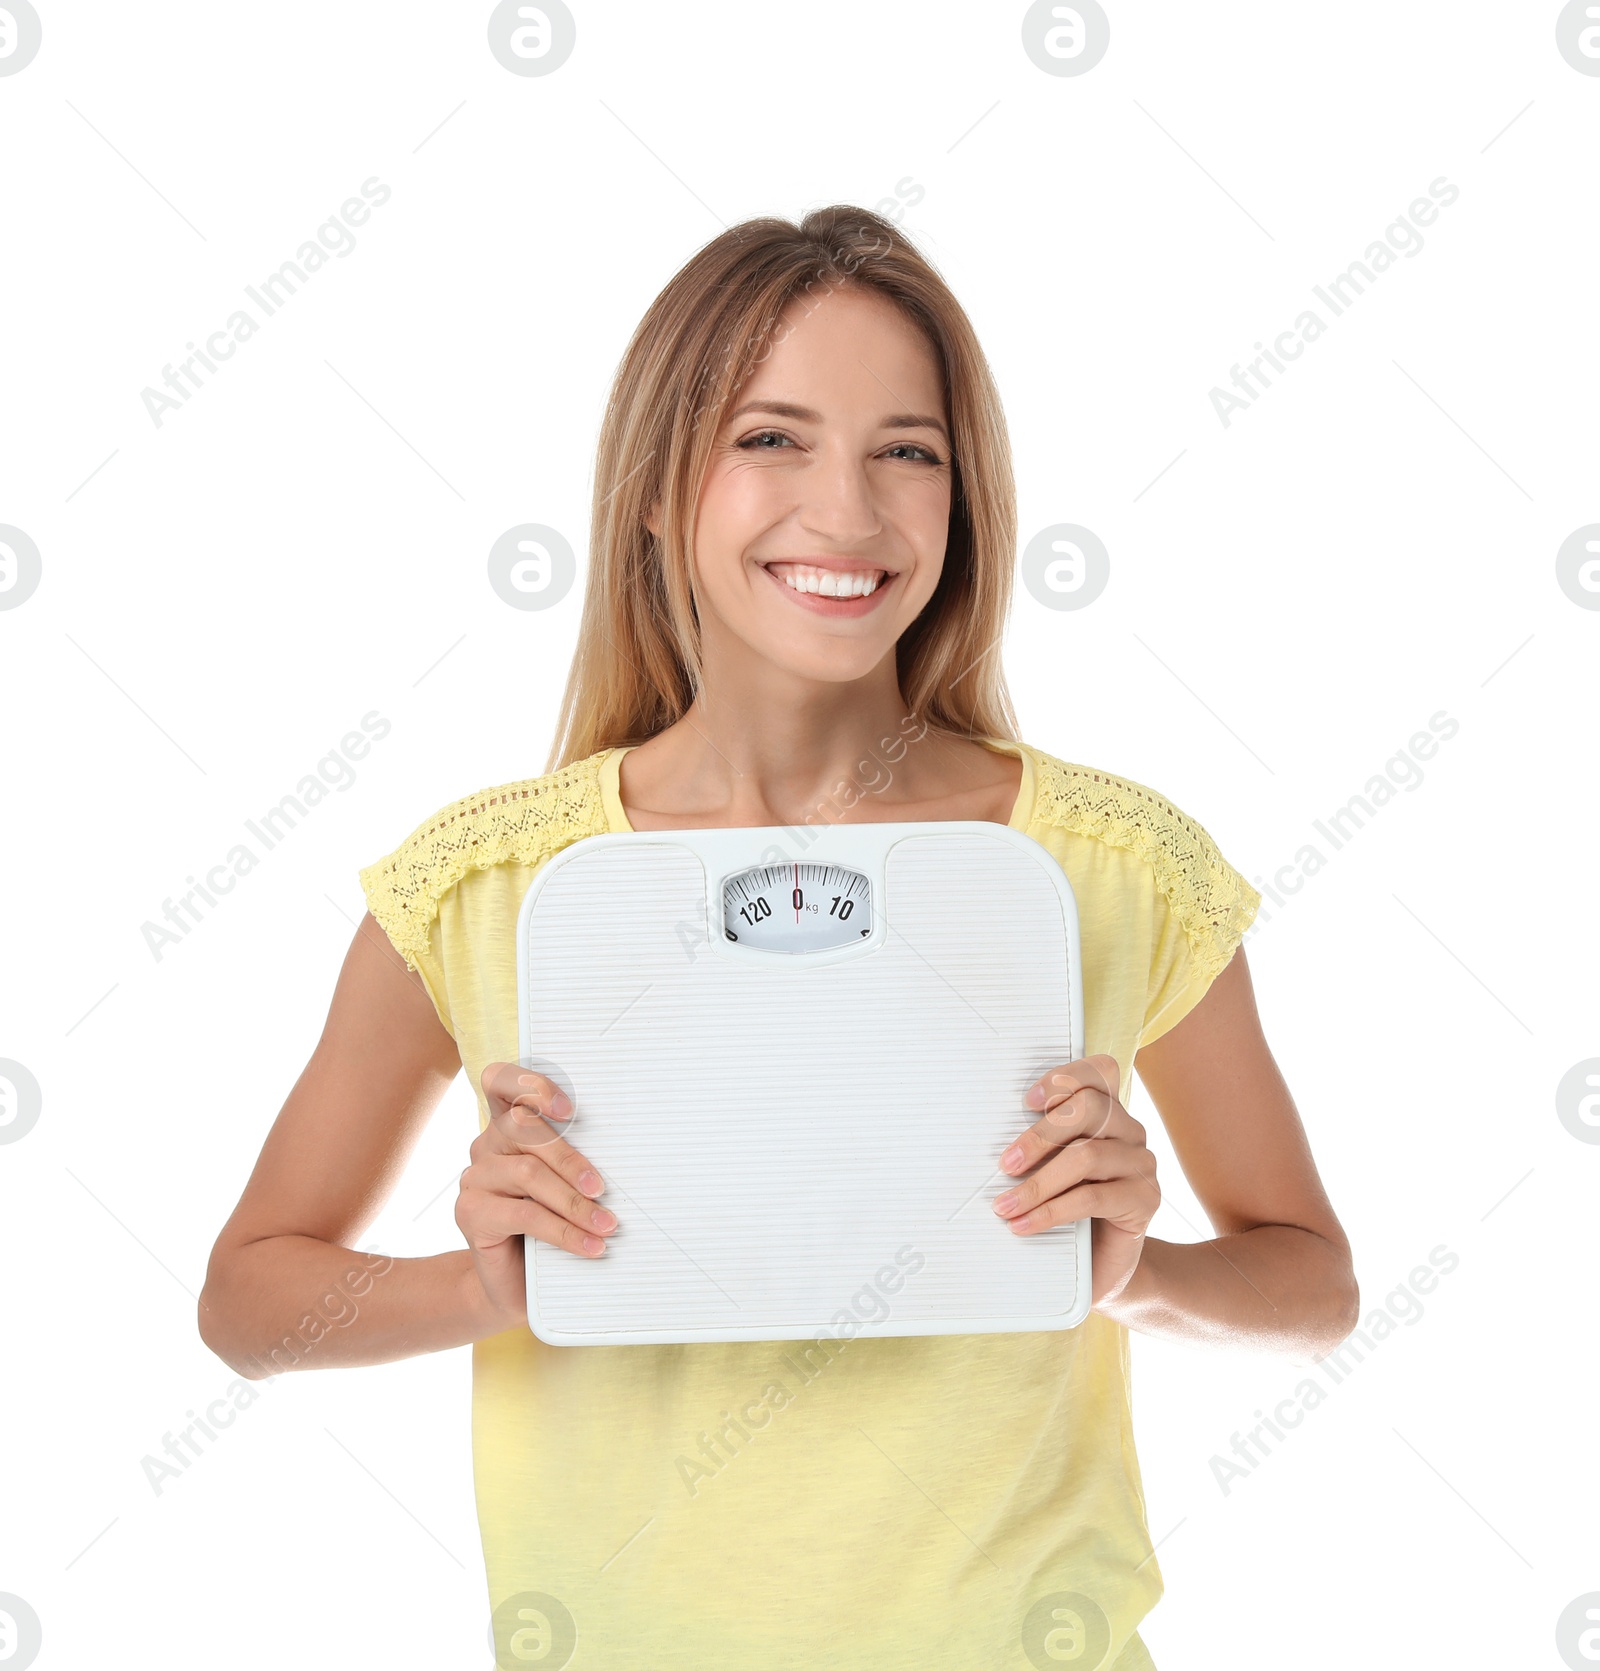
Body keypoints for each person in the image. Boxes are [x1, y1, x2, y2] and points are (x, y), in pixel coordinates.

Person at [198, 205, 1357, 1669]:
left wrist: (1143, 1272)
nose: (849, 511)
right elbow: (248, 1298)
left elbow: (1311, 1286)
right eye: (771, 438)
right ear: (656, 491)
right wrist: (477, 1289)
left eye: (908, 451)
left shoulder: (1112, 870)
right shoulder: (481, 889)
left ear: (966, 498)